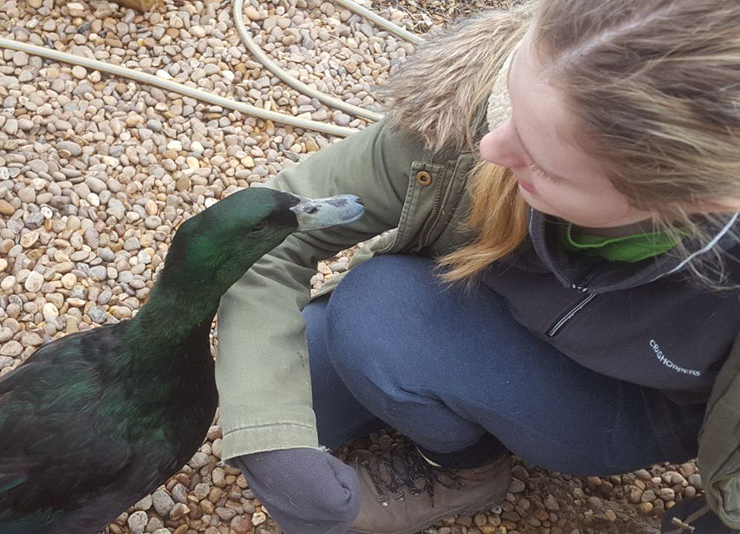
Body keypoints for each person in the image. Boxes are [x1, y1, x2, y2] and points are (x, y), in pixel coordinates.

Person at [213, 1, 740, 533]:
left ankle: (463, 472)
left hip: (627, 403)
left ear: (696, 202)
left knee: (375, 314)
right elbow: (262, 241)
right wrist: (271, 435)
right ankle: (444, 406)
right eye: (511, 100)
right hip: (460, 311)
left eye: (542, 161)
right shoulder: (473, 108)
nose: (490, 145)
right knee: (288, 394)